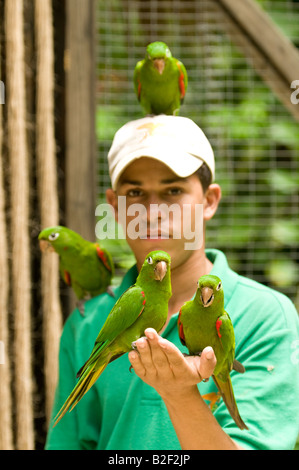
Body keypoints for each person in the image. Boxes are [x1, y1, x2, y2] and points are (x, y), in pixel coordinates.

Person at [45, 115, 299, 450]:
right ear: (115, 207)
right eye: (135, 192)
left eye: (173, 190)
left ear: (208, 201)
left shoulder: (265, 316)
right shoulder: (86, 322)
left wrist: (180, 394)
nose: (152, 212)